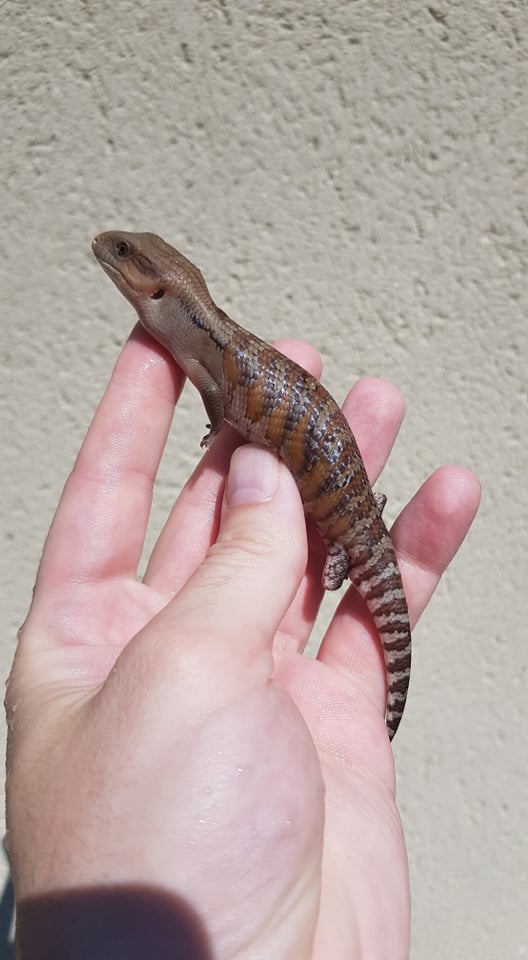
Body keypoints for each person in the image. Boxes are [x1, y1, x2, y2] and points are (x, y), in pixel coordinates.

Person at [5, 328, 480, 959]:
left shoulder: (217, 364)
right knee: (366, 593)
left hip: (351, 528)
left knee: (367, 597)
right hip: (355, 519)